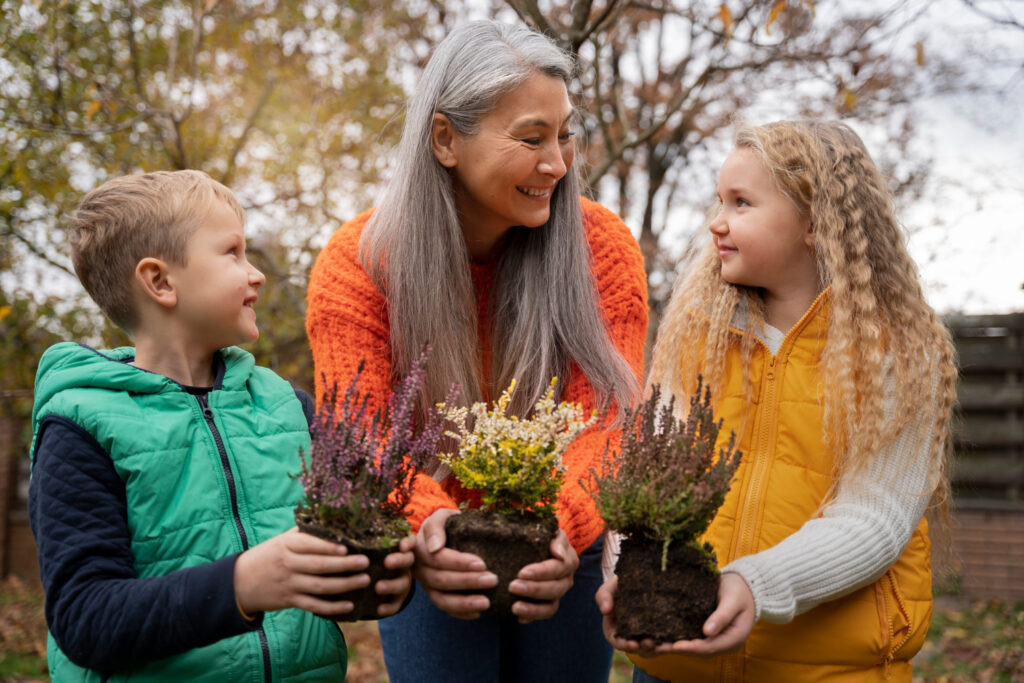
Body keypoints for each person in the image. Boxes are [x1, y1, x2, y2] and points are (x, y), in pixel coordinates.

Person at [306, 19, 648, 683]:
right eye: (531, 138)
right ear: (445, 139)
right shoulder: (359, 265)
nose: (558, 162)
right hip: (431, 555)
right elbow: (362, 435)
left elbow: (607, 419)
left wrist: (562, 524)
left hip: (563, 550)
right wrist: (430, 522)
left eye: (565, 134)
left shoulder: (602, 250)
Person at [596, 120, 958, 682]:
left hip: (828, 672)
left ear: (815, 221)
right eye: (719, 201)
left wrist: (755, 585)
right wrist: (626, 571)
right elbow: (645, 479)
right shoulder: (697, 335)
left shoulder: (896, 353)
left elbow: (877, 517)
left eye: (742, 203)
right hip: (676, 669)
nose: (717, 222)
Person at [27, 170, 414, 681]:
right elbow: (85, 618)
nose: (255, 274)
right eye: (232, 252)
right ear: (160, 282)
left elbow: (352, 540)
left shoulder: (285, 407)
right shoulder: (82, 427)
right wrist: (241, 585)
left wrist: (384, 577)